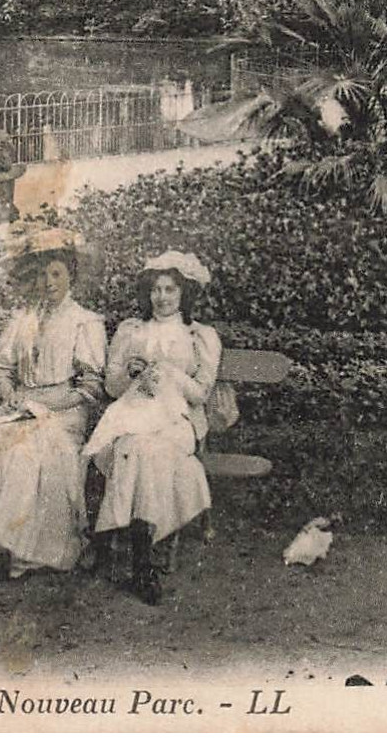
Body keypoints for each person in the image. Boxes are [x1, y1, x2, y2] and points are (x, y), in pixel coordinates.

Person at [0, 229, 107, 580]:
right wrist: (9, 394)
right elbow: (1, 368)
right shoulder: (23, 319)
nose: (48, 282)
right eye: (41, 274)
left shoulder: (85, 322)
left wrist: (45, 404)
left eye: (56, 274)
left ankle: (24, 548)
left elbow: (90, 386)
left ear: (71, 276)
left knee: (25, 455)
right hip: (19, 407)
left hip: (63, 412)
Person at [84, 252, 223, 606]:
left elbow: (202, 394)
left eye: (170, 289)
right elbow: (112, 388)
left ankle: (136, 554)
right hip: (132, 415)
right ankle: (143, 561)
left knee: (144, 451)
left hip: (178, 422)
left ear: (184, 294)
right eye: (156, 289)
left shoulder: (198, 337)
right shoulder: (132, 331)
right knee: (135, 447)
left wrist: (170, 374)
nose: (162, 297)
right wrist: (131, 372)